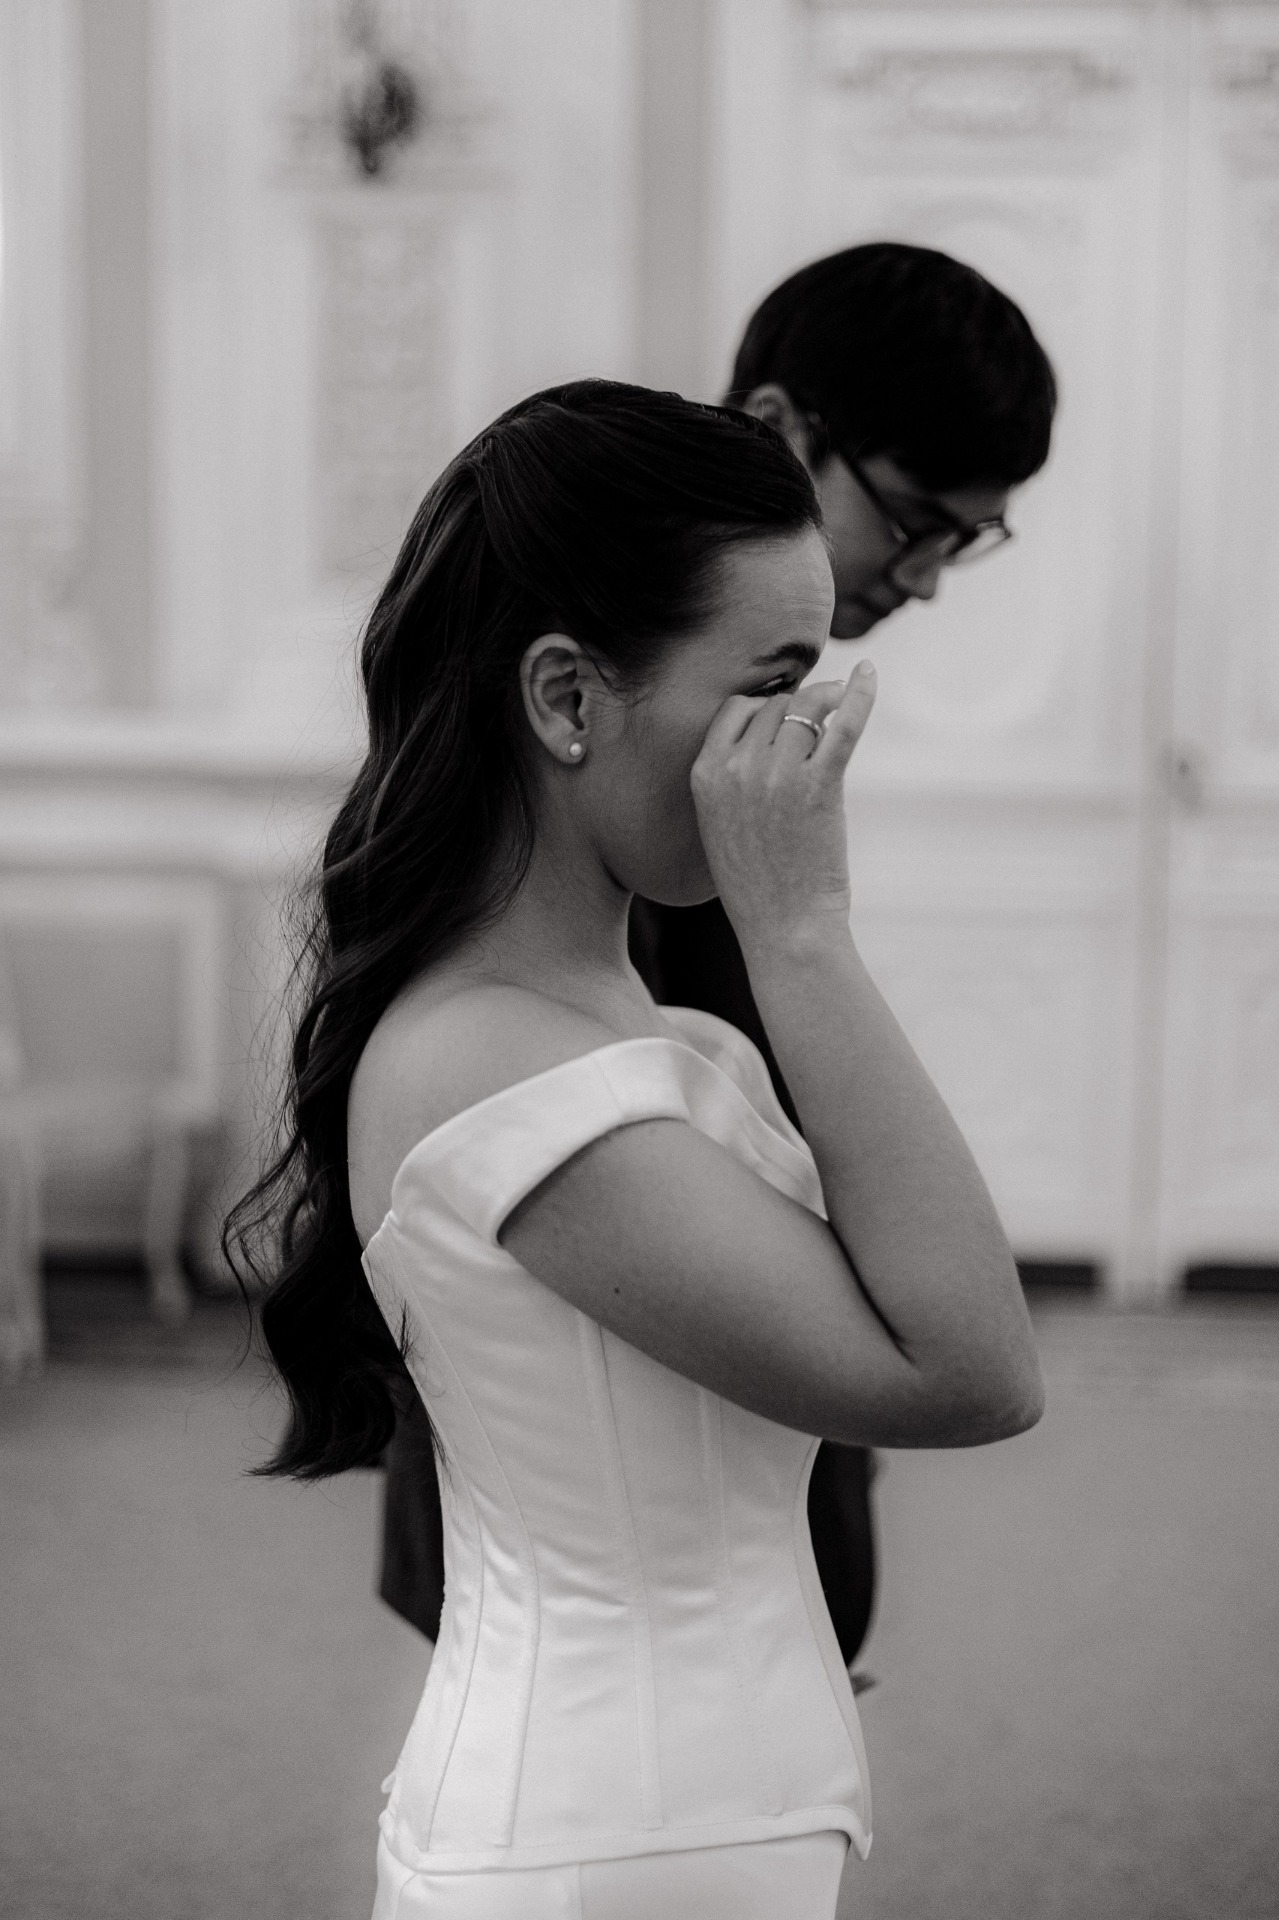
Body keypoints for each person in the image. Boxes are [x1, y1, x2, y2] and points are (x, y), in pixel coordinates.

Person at [229, 378, 1045, 1920]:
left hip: (692, 1820)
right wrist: (801, 927)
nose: (804, 743)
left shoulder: (621, 1020)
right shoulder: (489, 1062)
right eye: (772, 685)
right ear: (566, 697)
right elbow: (975, 1370)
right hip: (605, 1850)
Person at [380, 242, 1059, 1667]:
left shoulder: (673, 800)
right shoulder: (588, 844)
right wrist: (803, 932)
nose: (927, 580)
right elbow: (973, 1369)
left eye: (967, 542)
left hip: (761, 1376)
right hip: (605, 1460)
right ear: (780, 425)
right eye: (914, 519)